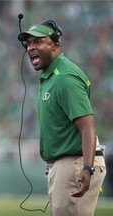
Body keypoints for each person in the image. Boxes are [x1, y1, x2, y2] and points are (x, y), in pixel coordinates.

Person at [18, 20, 106, 216]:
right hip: (65, 164)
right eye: (29, 43)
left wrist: (87, 168)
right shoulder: (52, 76)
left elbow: (88, 127)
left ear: (56, 44)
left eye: (38, 42)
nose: (31, 47)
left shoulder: (65, 78)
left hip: (75, 163)